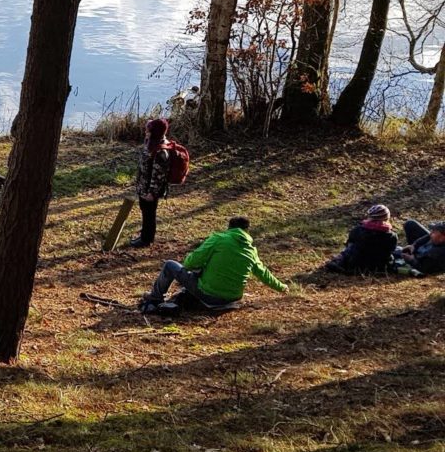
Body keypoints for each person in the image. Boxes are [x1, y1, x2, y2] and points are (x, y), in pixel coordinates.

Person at [140, 215, 289, 313]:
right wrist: (282, 287)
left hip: (210, 295)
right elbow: (263, 274)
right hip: (232, 298)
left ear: (229, 228)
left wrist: (197, 264)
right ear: (246, 231)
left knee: (170, 265)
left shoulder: (219, 239)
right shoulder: (251, 250)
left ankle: (155, 299)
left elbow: (190, 263)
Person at [128, 117, 172, 249]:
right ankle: (144, 235)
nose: (146, 131)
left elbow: (158, 175)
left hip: (150, 190)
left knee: (149, 214)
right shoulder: (151, 143)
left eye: (148, 129)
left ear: (155, 131)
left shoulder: (161, 151)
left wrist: (152, 193)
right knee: (145, 212)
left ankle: (146, 239)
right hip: (144, 187)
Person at [324, 203, 398, 275]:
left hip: (355, 265)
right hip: (379, 267)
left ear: (370, 217)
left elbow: (349, 245)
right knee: (398, 251)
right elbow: (390, 251)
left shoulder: (357, 230)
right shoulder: (392, 236)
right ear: (387, 218)